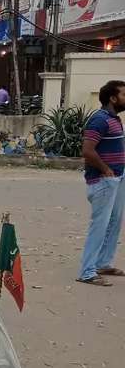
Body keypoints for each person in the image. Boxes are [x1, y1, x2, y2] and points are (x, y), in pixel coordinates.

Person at [78, 80, 125, 287]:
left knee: (114, 222)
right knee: (100, 225)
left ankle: (103, 263)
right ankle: (87, 272)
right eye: (124, 94)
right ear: (113, 98)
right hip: (104, 181)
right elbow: (88, 151)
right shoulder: (99, 120)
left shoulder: (115, 119)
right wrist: (106, 170)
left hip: (117, 178)